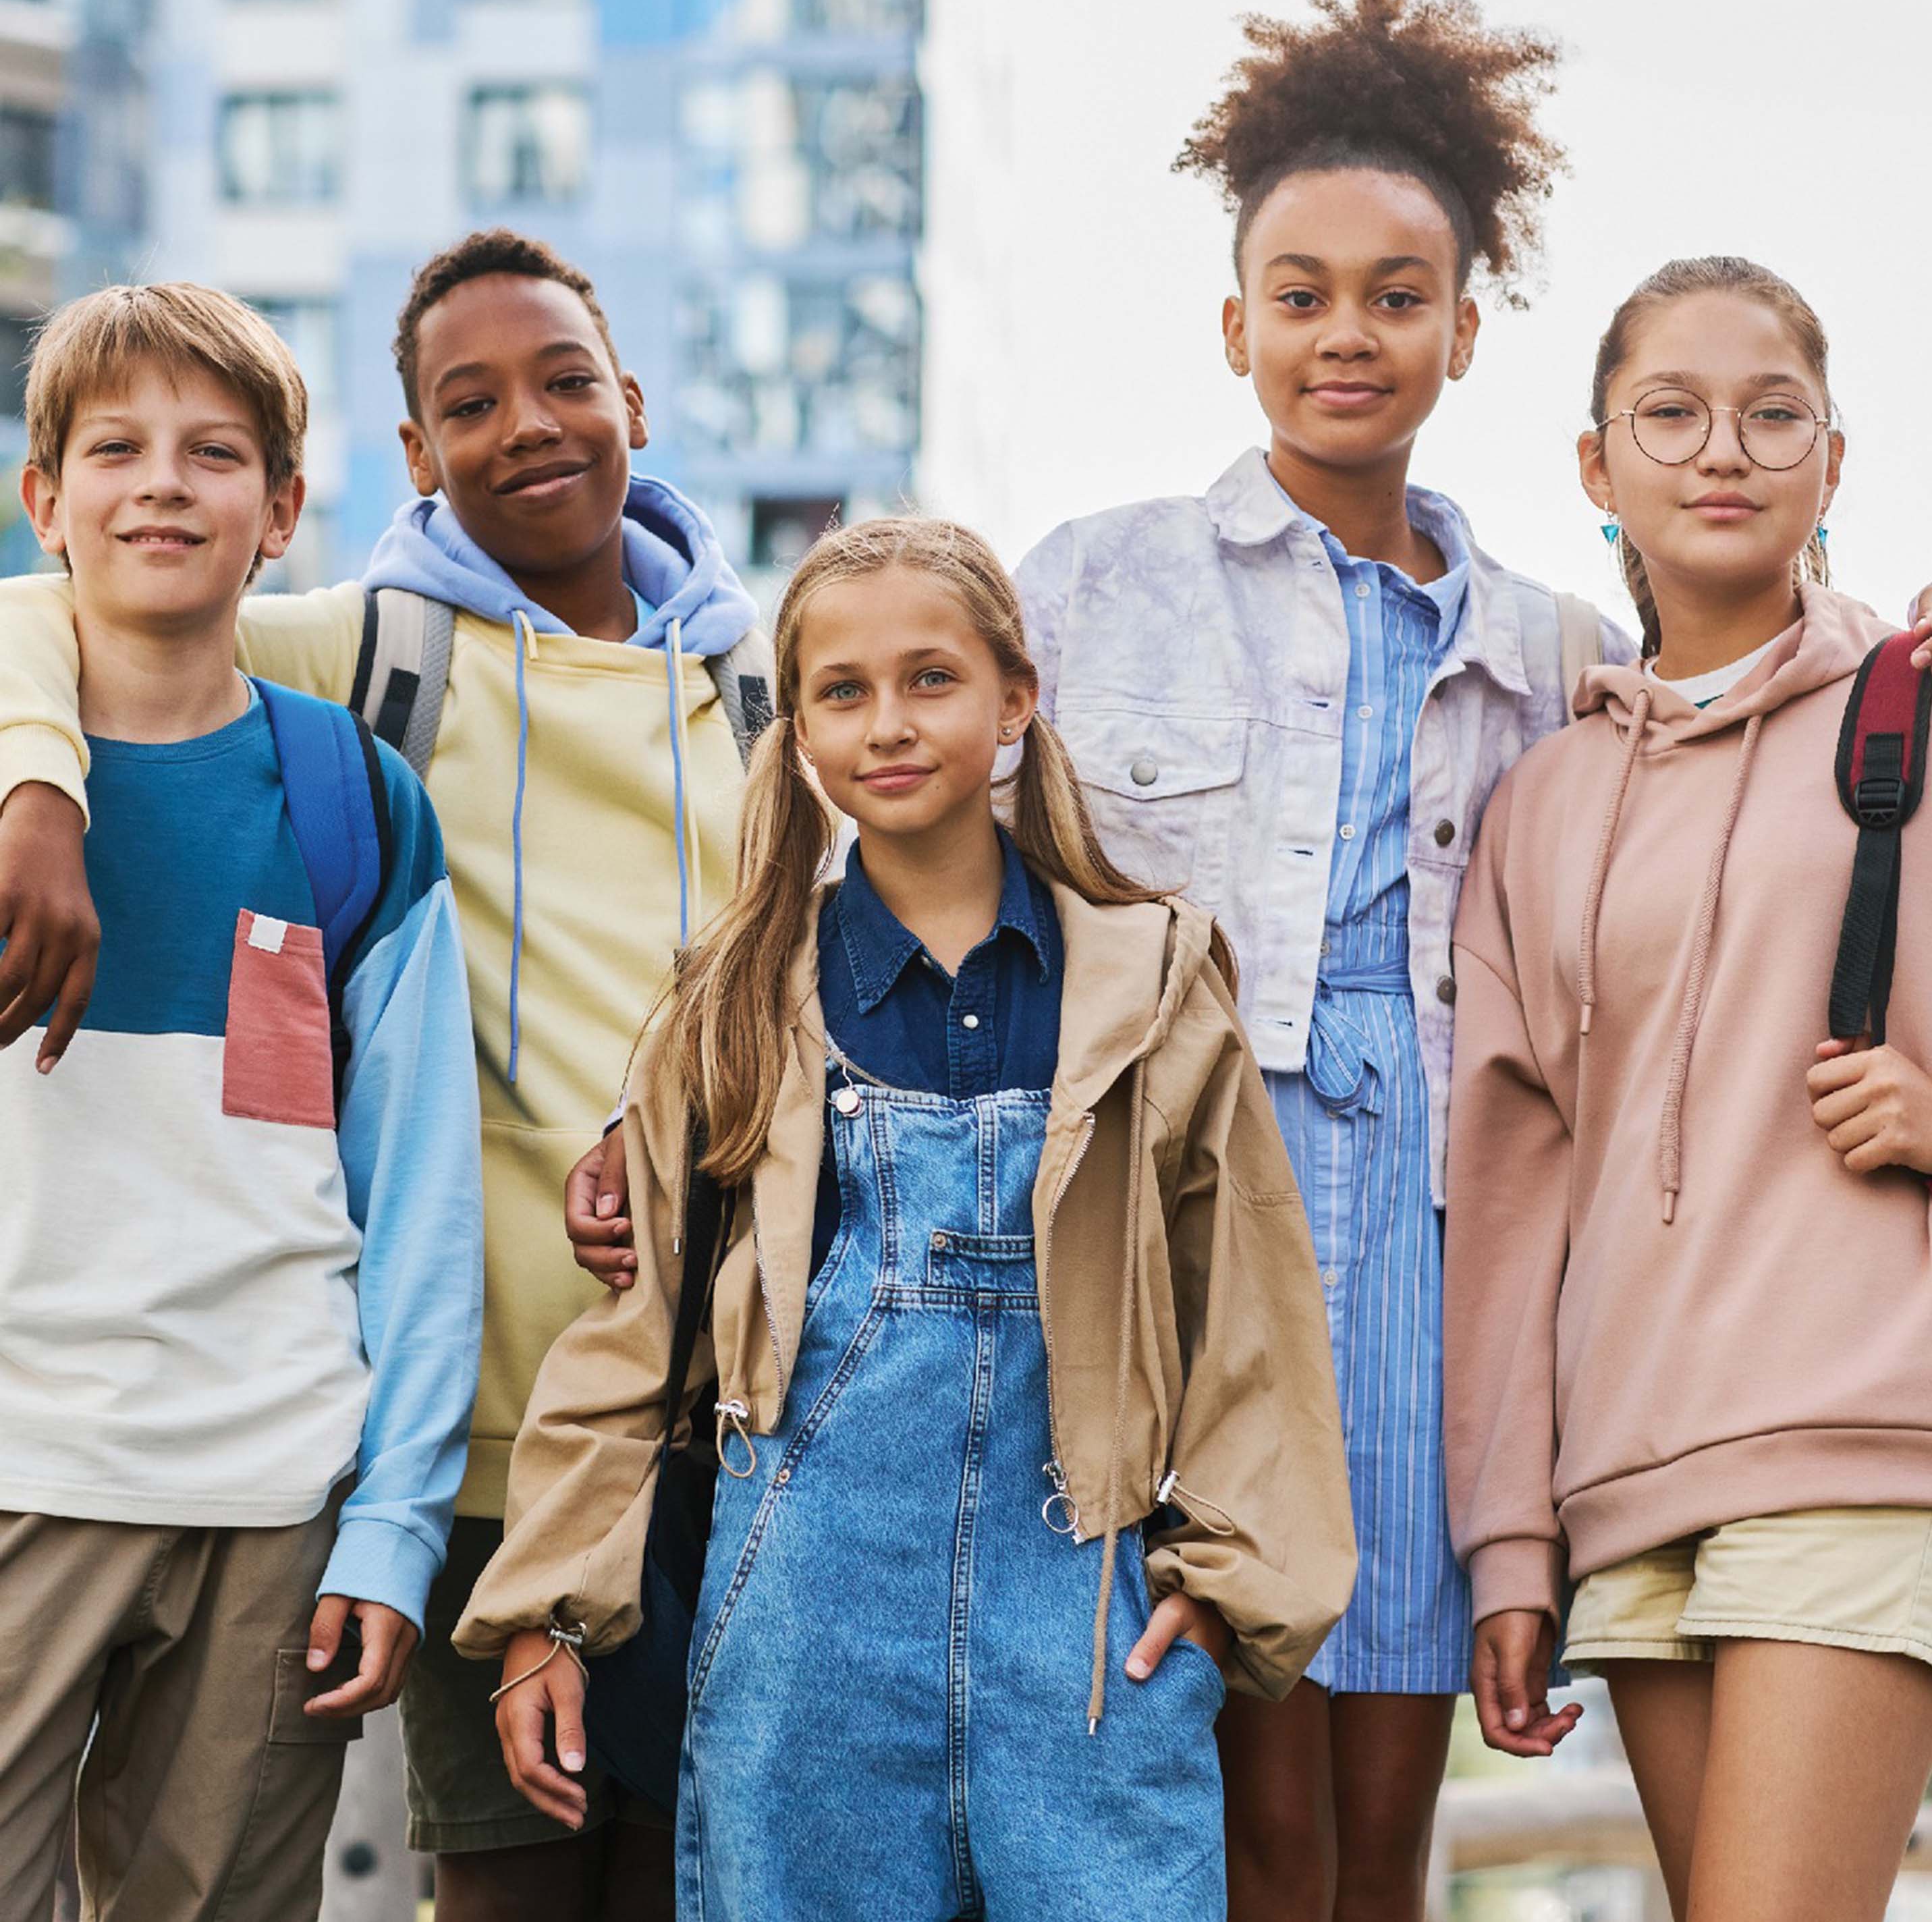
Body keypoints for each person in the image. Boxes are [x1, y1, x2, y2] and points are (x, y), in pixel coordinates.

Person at [0, 228, 758, 1915]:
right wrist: (37, 784)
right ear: (409, 461)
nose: (531, 426)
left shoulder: (759, 689)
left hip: (647, 1421)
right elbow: (54, 606)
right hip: (453, 1440)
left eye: (566, 383)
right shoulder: (363, 650)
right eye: (468, 402)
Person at [466, 517, 1352, 1920]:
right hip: (801, 1642)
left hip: (1080, 1632)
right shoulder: (737, 1001)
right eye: (843, 690)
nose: (889, 723)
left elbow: (1250, 1313)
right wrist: (543, 1611)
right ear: (800, 730)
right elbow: (636, 1341)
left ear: (1015, 696)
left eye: (932, 678)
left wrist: (1227, 1586)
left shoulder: (1154, 983)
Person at [995, 0, 1594, 1907]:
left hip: (1439, 1201)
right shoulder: (1096, 583)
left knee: (1382, 1799)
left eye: (1398, 294)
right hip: (1189, 1199)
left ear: (1467, 328)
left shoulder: (1561, 645)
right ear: (1235, 320)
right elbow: (949, 880)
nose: (1350, 331)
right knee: (1228, 1771)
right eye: (1304, 290)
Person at [1446, 256, 1932, 1921]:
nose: (1719, 448)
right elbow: (1513, 1203)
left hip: (1855, 1441)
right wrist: (1508, 1541)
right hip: (1629, 1472)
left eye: (1770, 412)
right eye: (1667, 413)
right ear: (1596, 467)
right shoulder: (1538, 803)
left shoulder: (1930, 716)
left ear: (1831, 459)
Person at [0, 283, 480, 1921]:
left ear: (280, 512)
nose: (162, 485)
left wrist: (396, 1524)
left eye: (215, 453)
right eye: (114, 447)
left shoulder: (352, 799)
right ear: (42, 497)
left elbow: (418, 1195)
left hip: (274, 1494)